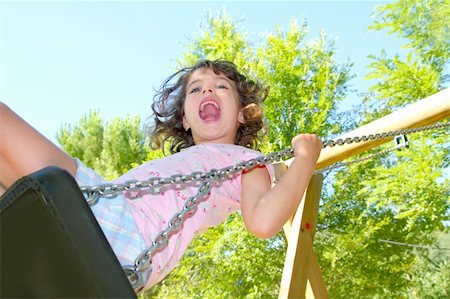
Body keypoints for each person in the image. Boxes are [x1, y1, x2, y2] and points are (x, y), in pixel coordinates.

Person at [0, 59, 322, 292]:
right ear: (185, 118)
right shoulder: (189, 164)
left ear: (241, 114)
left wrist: (305, 160)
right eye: (196, 89)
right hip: (108, 215)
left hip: (121, 228)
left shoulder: (246, 162)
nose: (207, 88)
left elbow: (263, 221)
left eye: (221, 86)